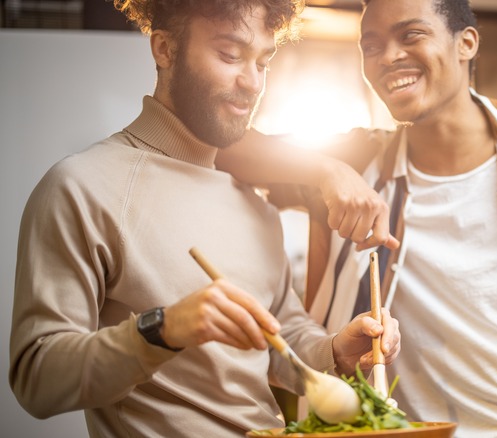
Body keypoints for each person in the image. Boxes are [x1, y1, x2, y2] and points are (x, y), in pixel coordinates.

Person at [217, 0, 497, 437]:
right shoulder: (358, 163)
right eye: (371, 46)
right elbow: (223, 145)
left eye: (410, 34)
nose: (388, 57)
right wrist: (324, 168)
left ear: (466, 43)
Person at [7, 0, 401, 436]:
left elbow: (281, 337)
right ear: (165, 49)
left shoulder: (255, 203)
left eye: (263, 62)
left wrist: (335, 351)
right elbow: (36, 379)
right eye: (229, 55)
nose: (252, 82)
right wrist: (164, 329)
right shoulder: (82, 186)